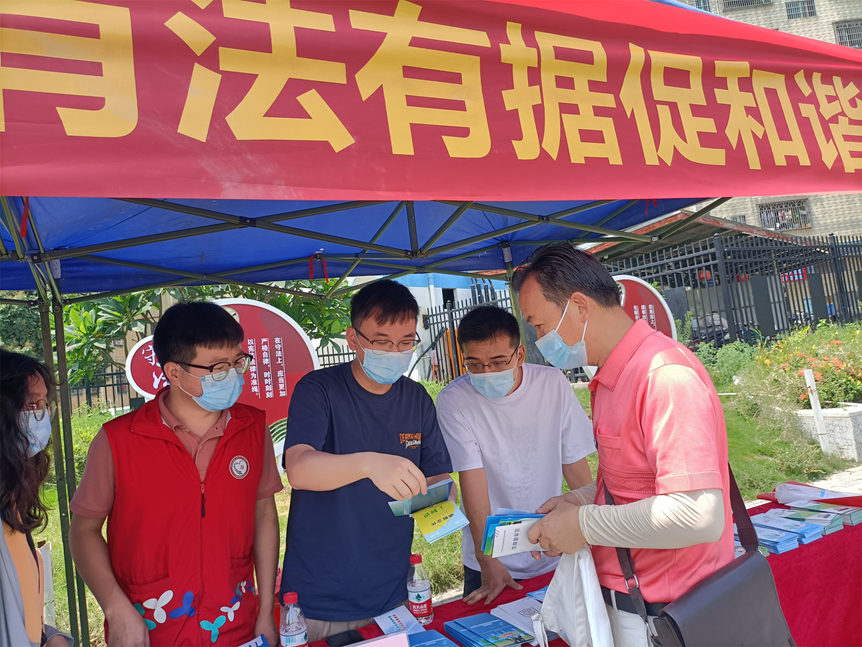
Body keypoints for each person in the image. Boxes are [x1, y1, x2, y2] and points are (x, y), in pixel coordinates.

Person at [513, 244, 732, 647]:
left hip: (670, 617)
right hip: (632, 605)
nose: (539, 339)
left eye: (539, 326)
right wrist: (583, 498)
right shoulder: (612, 376)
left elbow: (698, 514)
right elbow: (639, 484)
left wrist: (583, 524)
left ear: (578, 306)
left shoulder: (663, 376)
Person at [69, 302, 282, 647]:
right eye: (217, 368)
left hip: (235, 622)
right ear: (174, 372)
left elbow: (264, 515)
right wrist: (115, 608)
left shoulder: (252, 427)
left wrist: (264, 611)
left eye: (238, 362)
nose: (232, 375)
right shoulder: (119, 440)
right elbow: (84, 530)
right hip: (149, 629)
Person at [280, 280, 454, 642]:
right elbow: (299, 469)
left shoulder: (417, 398)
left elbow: (438, 474)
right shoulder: (319, 390)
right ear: (353, 338)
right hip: (320, 600)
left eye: (406, 342)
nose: (395, 352)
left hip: (393, 592)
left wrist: (438, 504)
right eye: (381, 342)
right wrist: (368, 464)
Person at [435, 306, 594, 605]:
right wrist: (487, 559)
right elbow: (472, 480)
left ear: (519, 355)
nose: (487, 373)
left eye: (497, 362)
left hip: (553, 544)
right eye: (475, 365)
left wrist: (590, 527)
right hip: (490, 557)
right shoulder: (454, 400)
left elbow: (573, 464)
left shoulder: (552, 384)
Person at [1, 350, 74, 647]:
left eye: (44, 404)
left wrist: (48, 635)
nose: (41, 415)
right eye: (31, 404)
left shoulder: (13, 497)